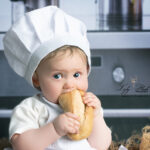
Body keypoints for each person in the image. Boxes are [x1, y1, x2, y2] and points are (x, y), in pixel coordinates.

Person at [3, 6, 111, 150]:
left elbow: (101, 145)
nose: (69, 84)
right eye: (57, 76)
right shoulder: (32, 109)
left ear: (87, 71)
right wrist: (54, 129)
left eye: (77, 74)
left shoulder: (88, 107)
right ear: (36, 79)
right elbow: (21, 145)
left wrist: (96, 116)